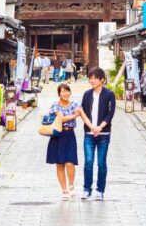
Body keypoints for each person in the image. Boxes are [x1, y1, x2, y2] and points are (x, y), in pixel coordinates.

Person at [78, 67, 116, 201]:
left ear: (102, 80)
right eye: (91, 78)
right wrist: (92, 127)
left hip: (104, 134)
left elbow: (110, 113)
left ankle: (100, 190)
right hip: (89, 133)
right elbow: (82, 111)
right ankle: (87, 189)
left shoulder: (109, 94)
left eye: (95, 78)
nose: (92, 80)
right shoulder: (87, 94)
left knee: (101, 162)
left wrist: (100, 127)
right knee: (88, 162)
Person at [45, 83, 81, 200]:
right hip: (58, 136)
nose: (65, 93)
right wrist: (74, 116)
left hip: (70, 134)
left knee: (70, 163)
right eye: (62, 91)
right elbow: (61, 119)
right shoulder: (55, 105)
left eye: (67, 91)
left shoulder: (75, 104)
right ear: (59, 93)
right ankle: (64, 189)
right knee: (59, 164)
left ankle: (71, 185)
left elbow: (80, 114)